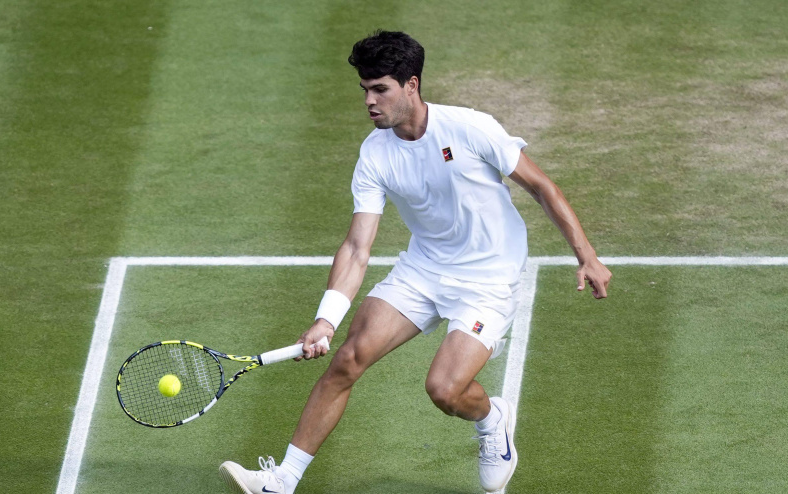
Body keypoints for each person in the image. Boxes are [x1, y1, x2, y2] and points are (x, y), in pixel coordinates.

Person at [219, 30, 612, 494]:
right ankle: (282, 481)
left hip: (489, 279)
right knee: (347, 359)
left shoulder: (469, 128)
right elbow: (357, 247)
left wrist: (587, 256)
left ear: (411, 85)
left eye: (379, 89)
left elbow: (542, 187)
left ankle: (492, 419)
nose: (369, 101)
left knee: (445, 390)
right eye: (364, 90)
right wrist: (326, 319)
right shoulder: (374, 154)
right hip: (423, 270)